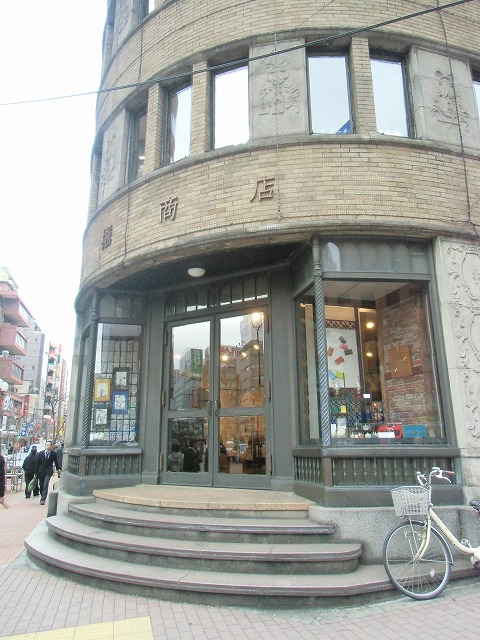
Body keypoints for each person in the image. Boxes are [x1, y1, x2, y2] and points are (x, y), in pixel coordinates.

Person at [35, 440, 61, 505]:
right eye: (47, 445)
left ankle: (43, 499)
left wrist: (58, 469)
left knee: (45, 484)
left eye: (49, 445)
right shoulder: (40, 453)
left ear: (51, 446)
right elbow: (37, 463)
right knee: (41, 485)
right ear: (45, 446)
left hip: (48, 471)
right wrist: (35, 473)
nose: (48, 446)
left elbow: (56, 462)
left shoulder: (53, 454)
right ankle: (42, 495)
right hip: (41, 471)